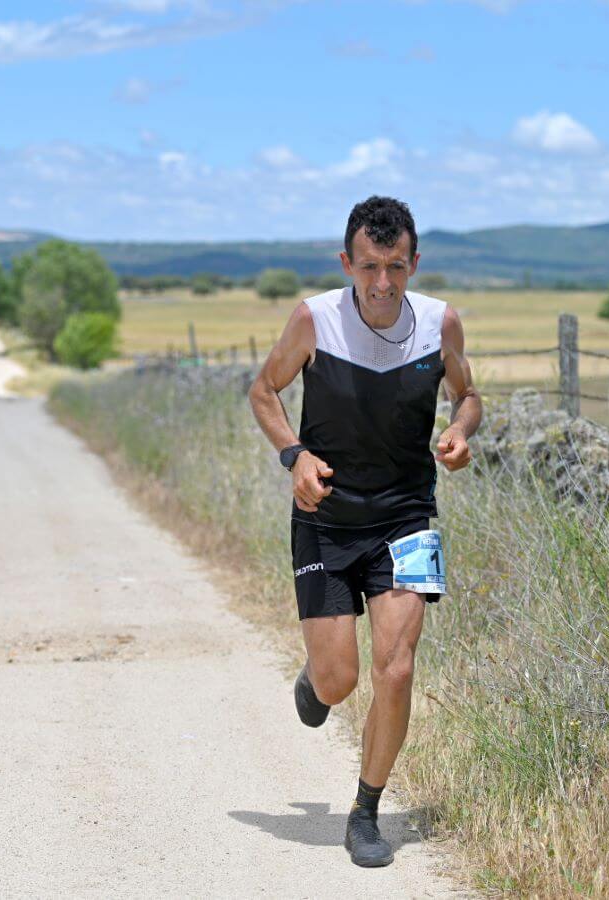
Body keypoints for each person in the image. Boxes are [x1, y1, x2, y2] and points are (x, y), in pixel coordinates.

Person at [248, 196, 481, 867]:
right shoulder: (314, 319)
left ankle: (366, 812)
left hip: (406, 517)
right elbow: (264, 391)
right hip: (325, 517)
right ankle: (316, 680)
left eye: (396, 267)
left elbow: (468, 394)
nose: (383, 282)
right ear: (347, 263)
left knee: (397, 669)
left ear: (414, 263)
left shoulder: (439, 323)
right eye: (370, 267)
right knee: (339, 681)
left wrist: (460, 430)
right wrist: (294, 455)